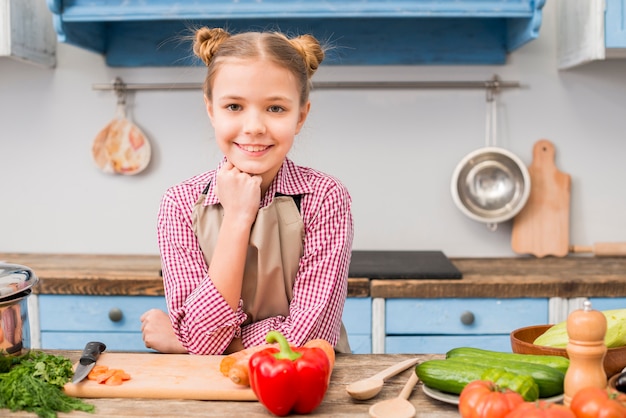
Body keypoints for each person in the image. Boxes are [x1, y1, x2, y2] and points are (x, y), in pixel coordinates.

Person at [140, 27, 354, 355]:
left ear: (300, 116)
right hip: (211, 392)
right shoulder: (180, 204)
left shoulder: (323, 198)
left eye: (276, 108)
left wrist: (192, 342)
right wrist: (238, 218)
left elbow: (308, 337)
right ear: (211, 110)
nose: (254, 126)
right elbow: (202, 339)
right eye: (234, 107)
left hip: (307, 385)